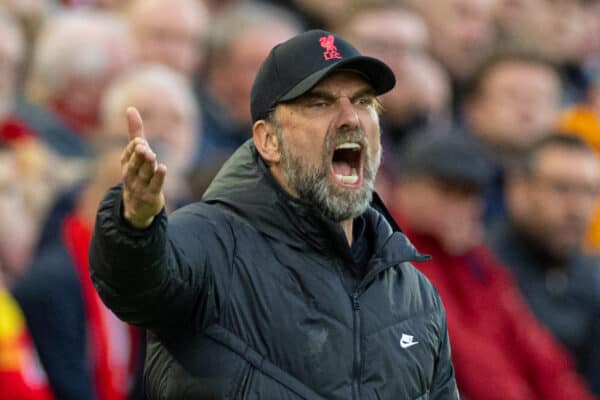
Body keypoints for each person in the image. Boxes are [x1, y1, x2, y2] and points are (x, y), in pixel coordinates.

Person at [89, 29, 459, 399]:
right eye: (320, 103)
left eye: (364, 102)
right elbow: (134, 288)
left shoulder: (414, 293)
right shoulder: (210, 240)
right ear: (268, 140)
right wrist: (135, 225)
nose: (351, 118)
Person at [389, 133, 596, 400]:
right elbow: (469, 359)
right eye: (448, 191)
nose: (461, 207)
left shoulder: (474, 258)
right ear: (407, 187)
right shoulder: (396, 258)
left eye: (471, 194)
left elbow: (534, 348)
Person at [487, 134, 600, 396]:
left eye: (589, 192)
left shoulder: (592, 276)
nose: (577, 208)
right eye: (561, 188)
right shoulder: (483, 270)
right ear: (518, 189)